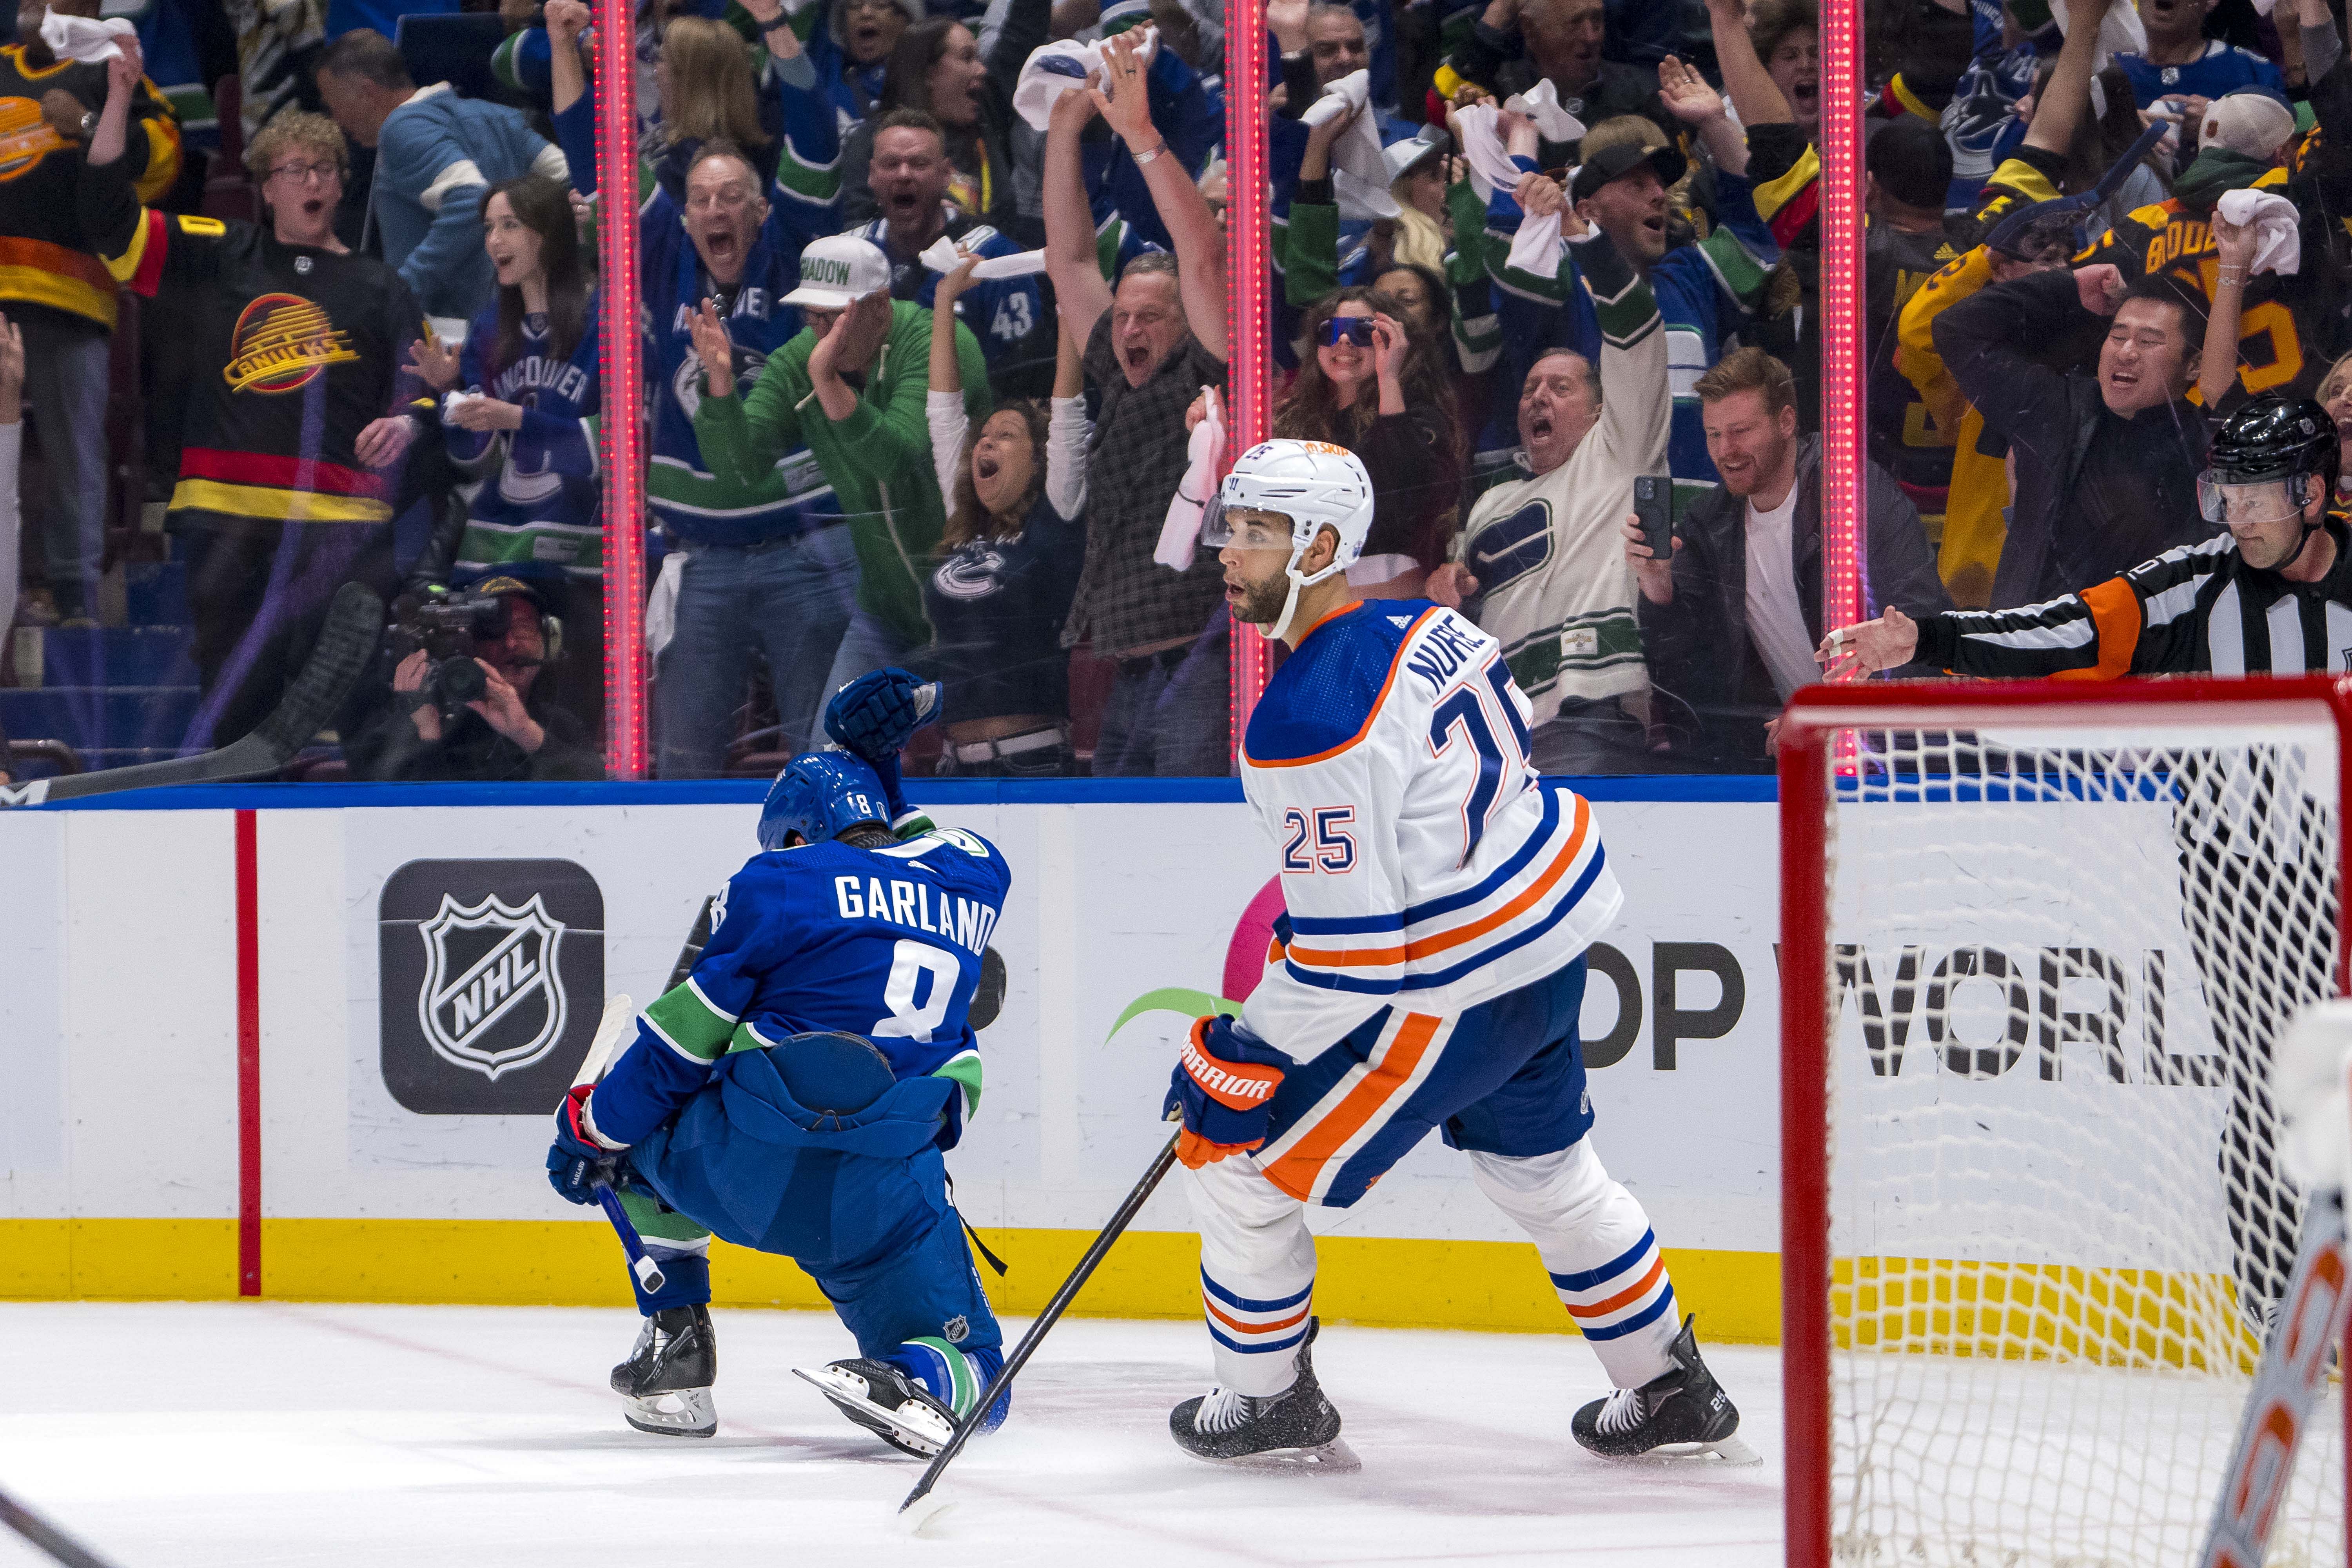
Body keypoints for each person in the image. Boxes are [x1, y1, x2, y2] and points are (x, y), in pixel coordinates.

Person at [1166, 436, 1748, 1466]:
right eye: (1231, 529)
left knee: (1236, 1168)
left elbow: (1354, 963)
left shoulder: (1305, 720)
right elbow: (1478, 768)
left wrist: (1248, 1049)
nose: (1229, 552)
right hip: (1545, 952)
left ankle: (1267, 1401)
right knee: (1550, 1179)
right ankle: (1670, 1390)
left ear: (1324, 545)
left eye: (1254, 533)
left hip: (1457, 991)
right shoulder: (1430, 625)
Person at [1818, 393, 2345, 1334]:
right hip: (2243, 888)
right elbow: (2064, 629)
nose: (2237, 513)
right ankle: (2278, 1309)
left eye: (2259, 495)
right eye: (2226, 491)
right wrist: (1930, 639)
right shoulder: (2196, 583)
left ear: (2313, 491)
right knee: (2273, 1091)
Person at [546, 686, 1013, 1449]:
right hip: (883, 1199)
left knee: (626, 1124)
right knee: (981, 1363)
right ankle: (927, 1379)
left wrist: (585, 1129)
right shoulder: (977, 872)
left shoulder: (775, 885)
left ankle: (676, 1359)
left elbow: (674, 1054)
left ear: (794, 836)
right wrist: (885, 761)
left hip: (742, 1175)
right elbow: (900, 850)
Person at [80, 54, 428, 751]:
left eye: (324, 169)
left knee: (361, 722)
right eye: (294, 171)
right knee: (240, 737)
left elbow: (419, 387)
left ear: (340, 184)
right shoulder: (223, 253)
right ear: (267, 190)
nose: (312, 181)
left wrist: (408, 419)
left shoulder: (382, 286)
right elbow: (107, 219)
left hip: (343, 535)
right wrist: (118, 97)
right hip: (228, 531)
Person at [689, 233, 993, 711]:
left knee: (976, 768)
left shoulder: (940, 342)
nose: (823, 331)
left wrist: (828, 386)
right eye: (813, 315)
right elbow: (741, 472)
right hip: (885, 613)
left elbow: (899, 457)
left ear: (879, 305)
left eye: (837, 316)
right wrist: (722, 388)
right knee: (832, 763)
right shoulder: (802, 359)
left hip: (975, 605)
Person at [1042, 34, 1231, 775]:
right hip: (1128, 665)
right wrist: (1064, 132)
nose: (1129, 329)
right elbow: (1071, 261)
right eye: (1121, 316)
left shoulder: (1206, 369)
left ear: (1186, 322)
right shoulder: (1118, 377)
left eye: (1150, 316)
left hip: (1201, 652)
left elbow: (1203, 255)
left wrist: (1142, 140)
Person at [1626, 348, 1950, 770]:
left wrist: (1829, 710)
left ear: (1786, 422)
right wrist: (1658, 588)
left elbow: (1917, 626)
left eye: (1740, 431)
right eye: (1714, 435)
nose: (1727, 450)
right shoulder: (1708, 525)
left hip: (1902, 753)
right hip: (1791, 759)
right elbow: (1686, 682)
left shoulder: (1853, 492)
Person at [1430, 201, 1668, 775]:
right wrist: (1449, 584)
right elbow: (1462, 600)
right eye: (1531, 388)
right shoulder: (1491, 502)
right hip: (1493, 731)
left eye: (1560, 387)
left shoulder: (1618, 454)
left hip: (1587, 712)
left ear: (1601, 410)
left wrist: (1582, 236)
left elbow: (1637, 328)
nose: (1538, 397)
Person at [0, 3, 180, 628]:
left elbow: (162, 164)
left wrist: (83, 120)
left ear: (85, 9)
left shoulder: (112, 69)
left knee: (75, 446)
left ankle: (75, 595)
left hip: (70, 293)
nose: (31, 7)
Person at [1933, 263, 2218, 608]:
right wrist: (2070, 287)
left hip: (2137, 652)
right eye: (2117, 336)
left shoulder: (2206, 454)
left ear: (2194, 365)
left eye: (2148, 341)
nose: (2126, 352)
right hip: (2024, 643)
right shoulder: (2053, 406)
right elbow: (1956, 328)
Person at [919, 257, 1087, 776]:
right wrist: (945, 302)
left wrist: (1067, 295)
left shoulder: (1054, 520)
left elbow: (1068, 412)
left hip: (1030, 761)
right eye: (984, 436)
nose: (986, 440)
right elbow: (944, 416)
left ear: (1039, 462)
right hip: (955, 767)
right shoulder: (965, 524)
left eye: (1008, 435)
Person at [409, 174, 602, 586]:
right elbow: (478, 463)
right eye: (489, 228)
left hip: (584, 549)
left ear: (550, 235)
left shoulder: (606, 319)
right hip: (498, 546)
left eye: (510, 225)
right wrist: (449, 390)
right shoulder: (487, 330)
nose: (495, 240)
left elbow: (622, 444)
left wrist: (516, 419)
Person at [312, 28, 569, 320]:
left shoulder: (400, 128)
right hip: (522, 322)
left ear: (366, 92)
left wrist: (399, 290)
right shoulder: (499, 116)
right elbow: (573, 183)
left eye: (333, 105)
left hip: (451, 337)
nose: (336, 120)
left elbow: (472, 198)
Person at [845, 108, 1054, 394]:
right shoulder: (848, 254)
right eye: (891, 164)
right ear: (871, 175)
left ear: (946, 175)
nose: (904, 174)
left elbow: (1020, 378)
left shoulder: (995, 255)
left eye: (919, 163)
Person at [1270, 287, 1460, 599]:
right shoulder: (1291, 421)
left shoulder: (1419, 414)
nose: (1343, 341)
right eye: (1330, 331)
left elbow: (1405, 500)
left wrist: (1389, 379)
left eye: (1362, 332)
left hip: (1391, 593)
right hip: (1307, 592)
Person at [343, 576, 599, 780]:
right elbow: (381, 812)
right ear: (468, 645)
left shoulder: (563, 726)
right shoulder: (421, 716)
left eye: (523, 628)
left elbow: (598, 794)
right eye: (493, 633)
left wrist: (525, 732)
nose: (510, 644)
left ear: (548, 640)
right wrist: (426, 732)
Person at [838, 8, 1043, 242]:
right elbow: (855, 236)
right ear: (929, 73)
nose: (981, 69)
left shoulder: (985, 114)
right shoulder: (874, 141)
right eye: (967, 58)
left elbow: (1023, 36)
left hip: (992, 271)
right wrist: (915, 227)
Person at [2113, 0, 2284, 111]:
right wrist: (2127, 125)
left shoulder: (2253, 71)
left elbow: (2295, 133)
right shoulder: (2106, 70)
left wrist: (2219, 120)